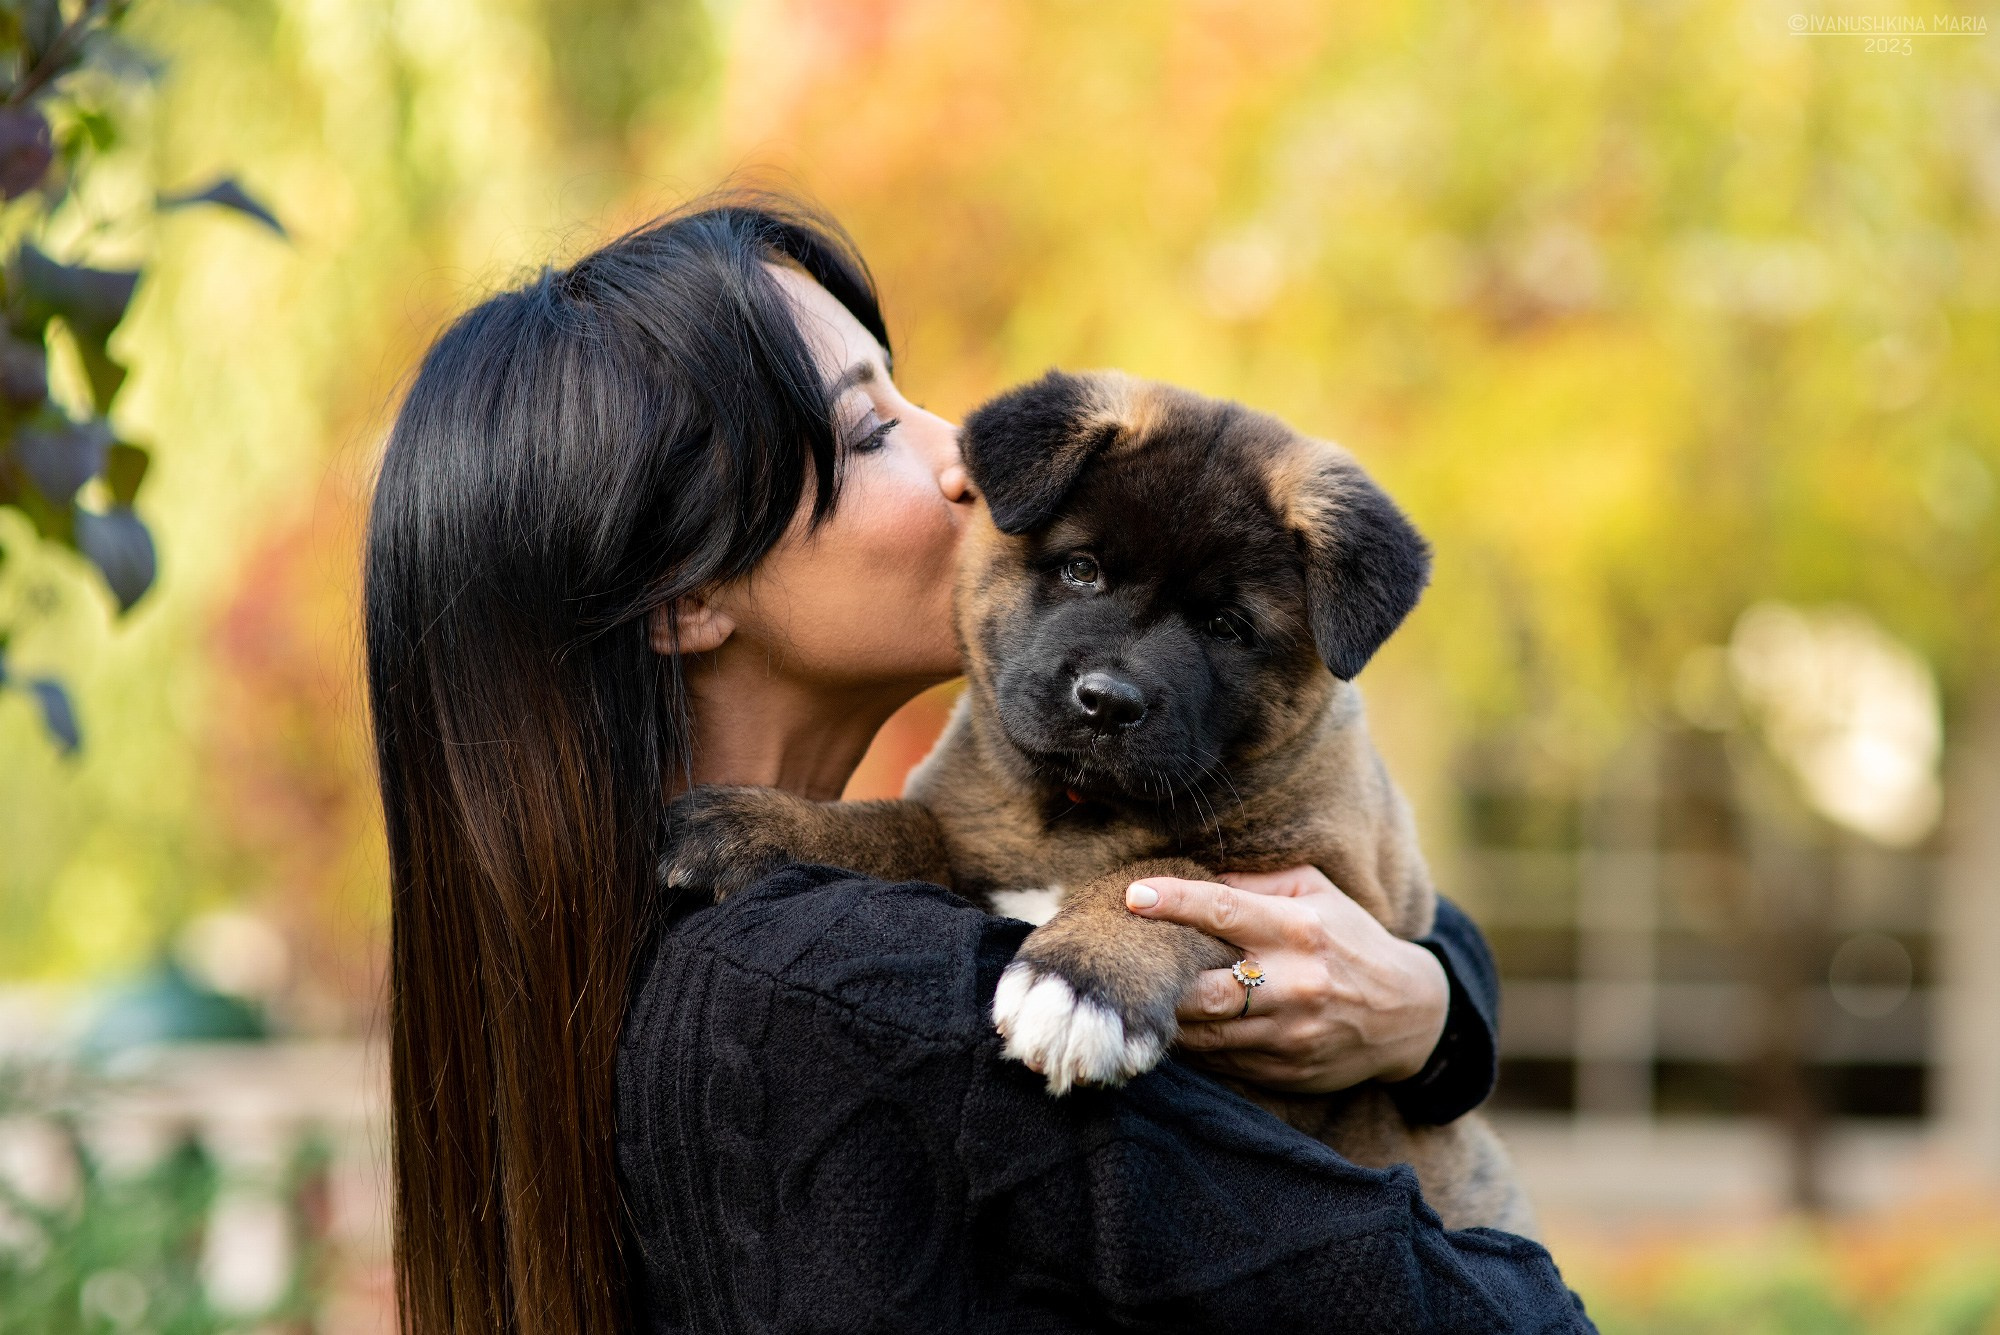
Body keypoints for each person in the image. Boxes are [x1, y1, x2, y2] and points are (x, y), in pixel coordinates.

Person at [364, 194, 1595, 1333]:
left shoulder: (671, 932)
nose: (959, 456)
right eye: (865, 431)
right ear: (682, 597)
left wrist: (1431, 1012)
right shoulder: (866, 1000)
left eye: (907, 395)